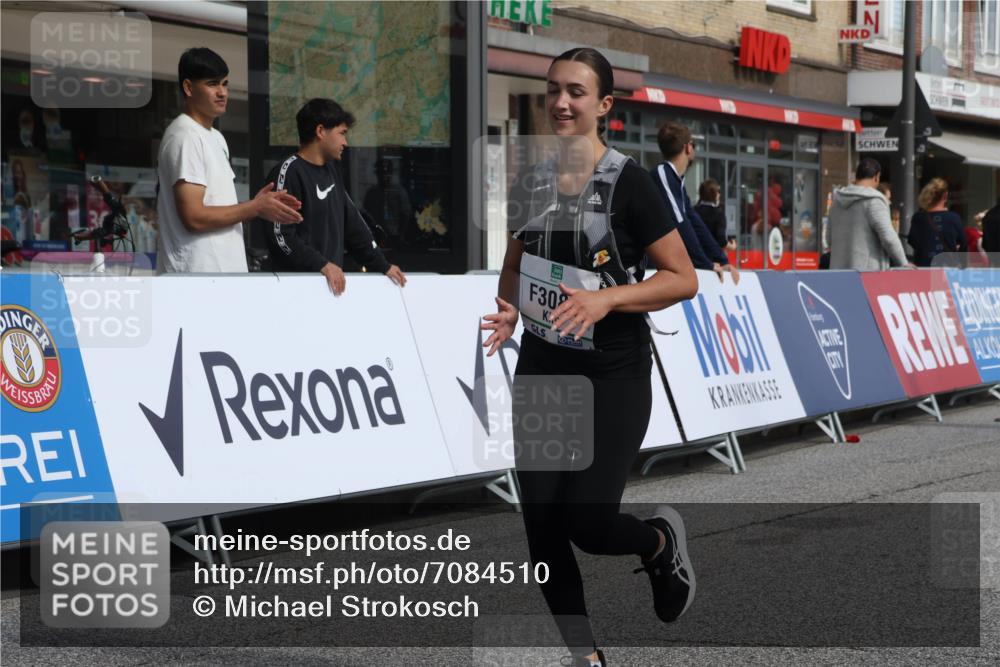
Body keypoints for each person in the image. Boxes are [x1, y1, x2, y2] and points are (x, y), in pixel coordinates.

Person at [480, 48, 698, 667]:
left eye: (576, 91)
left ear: (603, 105)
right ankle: (586, 658)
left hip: (613, 374)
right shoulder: (532, 180)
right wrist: (511, 308)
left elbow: (682, 278)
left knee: (590, 523)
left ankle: (657, 542)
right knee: (544, 528)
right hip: (545, 370)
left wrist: (608, 302)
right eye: (552, 90)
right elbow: (516, 263)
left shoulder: (631, 182)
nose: (560, 102)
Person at [156, 47, 302, 274]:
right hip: (196, 278)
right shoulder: (185, 136)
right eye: (212, 84)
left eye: (225, 84)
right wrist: (254, 207)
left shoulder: (215, 137)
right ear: (188, 88)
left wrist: (258, 206)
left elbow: (216, 205)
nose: (222, 92)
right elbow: (194, 217)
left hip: (223, 276)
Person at [262, 99, 406, 294]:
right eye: (342, 133)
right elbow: (281, 237)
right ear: (321, 131)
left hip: (329, 290)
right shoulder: (288, 172)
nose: (345, 143)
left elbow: (354, 226)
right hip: (294, 291)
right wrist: (321, 264)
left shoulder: (332, 172)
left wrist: (383, 266)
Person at [651, 122, 739, 284]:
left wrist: (721, 259)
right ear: (688, 148)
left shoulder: (676, 180)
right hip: (646, 264)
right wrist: (705, 263)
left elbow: (694, 222)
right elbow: (681, 225)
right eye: (694, 144)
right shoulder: (663, 174)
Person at [828, 157, 908, 271]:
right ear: (877, 177)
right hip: (868, 276)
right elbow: (888, 237)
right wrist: (903, 263)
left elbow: (828, 238)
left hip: (839, 274)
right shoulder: (874, 201)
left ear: (857, 176)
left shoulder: (837, 201)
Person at [908, 178, 966, 267]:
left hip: (924, 267)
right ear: (945, 195)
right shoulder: (954, 218)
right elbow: (963, 244)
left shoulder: (918, 218)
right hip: (947, 268)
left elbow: (912, 241)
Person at [694, 178, 727, 248]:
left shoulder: (693, 211)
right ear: (713, 194)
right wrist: (731, 246)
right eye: (718, 191)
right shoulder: (718, 214)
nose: (719, 195)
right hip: (712, 254)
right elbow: (721, 240)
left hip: (694, 253)